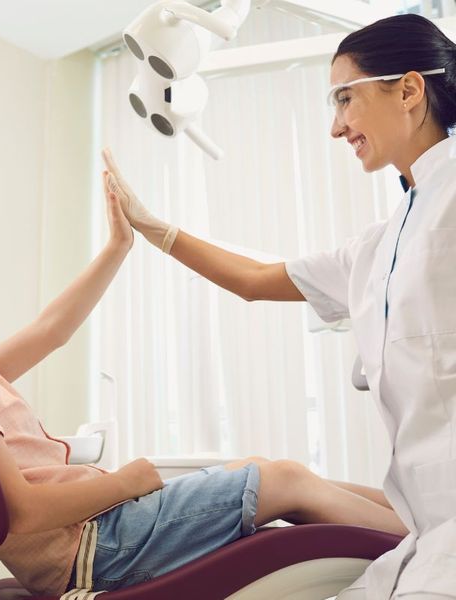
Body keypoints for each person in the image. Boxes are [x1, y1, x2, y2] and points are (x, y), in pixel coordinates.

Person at [0, 175, 406, 596]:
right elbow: (19, 512)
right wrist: (126, 482)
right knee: (281, 478)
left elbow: (54, 330)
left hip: (97, 539)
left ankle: (425, 518)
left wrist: (119, 244)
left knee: (273, 470)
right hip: (99, 545)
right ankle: (429, 547)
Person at [102, 12, 456, 600]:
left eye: (346, 99)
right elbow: (255, 278)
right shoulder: (382, 242)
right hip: (428, 531)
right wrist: (152, 227)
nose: (337, 127)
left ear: (410, 89)